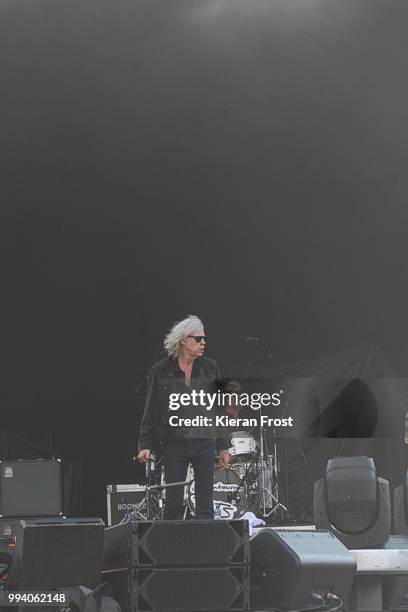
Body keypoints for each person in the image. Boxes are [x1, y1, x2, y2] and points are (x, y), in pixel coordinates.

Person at [137, 315, 230, 519]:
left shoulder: (210, 367)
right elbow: (151, 408)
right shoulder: (161, 370)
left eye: (204, 338)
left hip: (204, 440)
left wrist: (223, 446)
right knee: (172, 503)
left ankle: (207, 548)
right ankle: (173, 548)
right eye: (198, 339)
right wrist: (145, 444)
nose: (203, 342)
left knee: (206, 502)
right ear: (183, 340)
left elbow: (219, 408)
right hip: (174, 442)